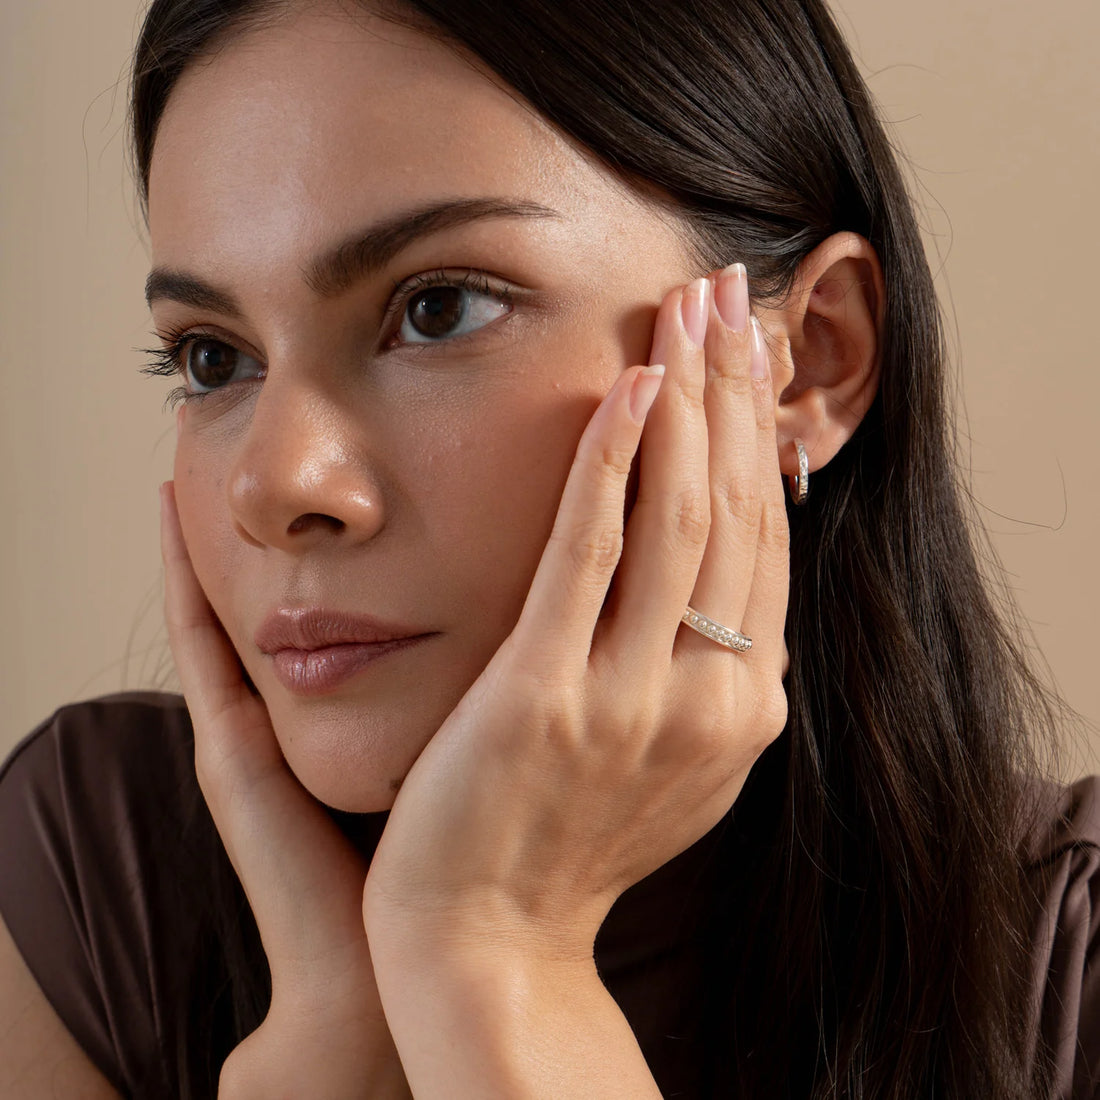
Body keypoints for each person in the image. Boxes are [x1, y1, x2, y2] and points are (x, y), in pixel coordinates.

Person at [1, 0, 1097, 1096]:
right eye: (210, 357)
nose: (274, 485)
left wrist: (490, 957)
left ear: (805, 362)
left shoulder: (1072, 968)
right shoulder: (89, 880)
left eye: (436, 308)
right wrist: (336, 1043)